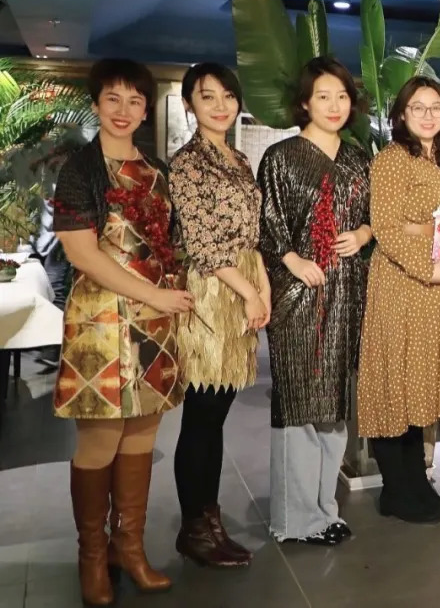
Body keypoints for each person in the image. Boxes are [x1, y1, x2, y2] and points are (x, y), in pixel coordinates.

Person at [52, 58, 191, 606]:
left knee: (142, 434)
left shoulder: (156, 168)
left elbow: (169, 243)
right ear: (95, 104)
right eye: (113, 98)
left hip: (154, 320)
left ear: (146, 109)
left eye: (135, 100)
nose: (124, 110)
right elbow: (81, 253)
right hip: (100, 319)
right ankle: (92, 554)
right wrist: (154, 294)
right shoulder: (80, 169)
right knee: (100, 439)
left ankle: (128, 548)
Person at [258, 57, 372, 545]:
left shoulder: (357, 159)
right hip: (299, 296)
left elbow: (373, 217)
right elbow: (266, 224)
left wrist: (363, 234)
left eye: (342, 96)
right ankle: (295, 520)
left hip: (346, 294)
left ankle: (326, 511)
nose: (334, 105)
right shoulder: (281, 157)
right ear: (304, 102)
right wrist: (291, 259)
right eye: (323, 96)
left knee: (334, 406)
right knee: (299, 407)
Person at [169, 62, 269, 566]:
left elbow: (252, 234)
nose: (220, 105)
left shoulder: (239, 159)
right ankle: (195, 528)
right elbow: (203, 243)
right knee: (202, 413)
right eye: (208, 96)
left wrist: (262, 287)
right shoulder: (187, 163)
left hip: (243, 283)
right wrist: (249, 292)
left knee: (218, 412)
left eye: (228, 95)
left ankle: (210, 519)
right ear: (190, 103)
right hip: (213, 290)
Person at [356, 76, 440, 524]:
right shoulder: (391, 159)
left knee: (418, 381)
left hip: (436, 285)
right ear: (402, 114)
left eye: (435, 107)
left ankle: (417, 484)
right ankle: (396, 489)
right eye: (417, 107)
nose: (427, 114)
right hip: (402, 282)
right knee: (395, 381)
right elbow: (385, 227)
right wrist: (428, 266)